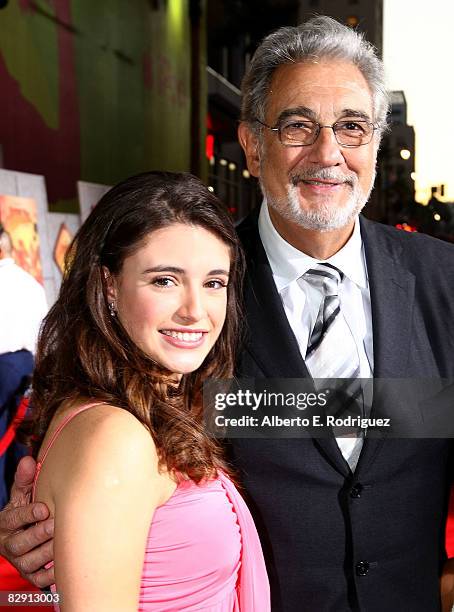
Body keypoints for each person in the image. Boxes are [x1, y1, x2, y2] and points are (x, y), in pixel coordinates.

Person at [1, 14, 453, 611]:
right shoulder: (198, 288)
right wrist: (42, 520)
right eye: (298, 126)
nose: (328, 153)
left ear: (374, 141)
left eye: (352, 127)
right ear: (251, 141)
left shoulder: (443, 278)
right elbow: (105, 430)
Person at [1, 172, 270, 610]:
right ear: (109, 285)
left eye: (214, 283)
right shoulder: (115, 436)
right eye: (165, 280)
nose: (194, 312)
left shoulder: (161, 402)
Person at [0, 224, 47, 509]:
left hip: (4, 364)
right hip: (28, 365)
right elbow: (42, 331)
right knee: (19, 440)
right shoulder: (31, 283)